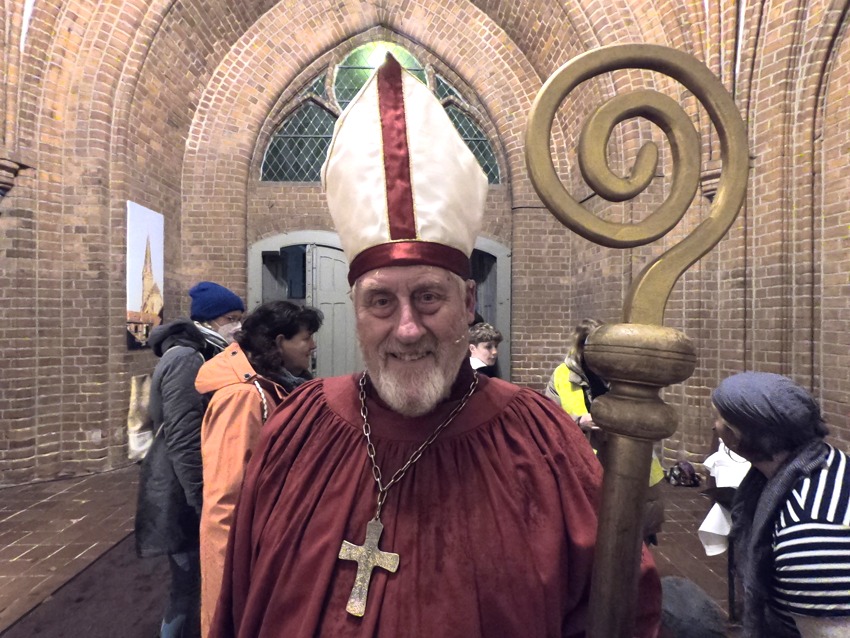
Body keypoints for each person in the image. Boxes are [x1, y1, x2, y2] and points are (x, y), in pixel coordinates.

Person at [208, 54, 660, 638]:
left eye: (427, 297)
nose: (406, 328)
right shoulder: (298, 433)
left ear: (468, 303)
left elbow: (620, 607)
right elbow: (242, 598)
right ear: (357, 309)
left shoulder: (540, 441)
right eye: (380, 302)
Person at [194, 300, 323, 637]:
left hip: (269, 543)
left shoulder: (277, 384)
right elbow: (224, 502)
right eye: (306, 338)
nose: (313, 345)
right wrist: (225, 596)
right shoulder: (243, 397)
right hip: (247, 552)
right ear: (280, 342)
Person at [135, 281, 245, 638]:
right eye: (231, 318)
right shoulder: (186, 357)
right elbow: (183, 437)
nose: (238, 326)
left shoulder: (203, 351)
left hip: (185, 483)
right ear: (210, 320)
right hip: (178, 487)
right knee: (187, 586)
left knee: (195, 582)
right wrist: (202, 500)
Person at [713, 371, 850, 638]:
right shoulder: (831, 460)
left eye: (717, 418)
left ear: (732, 437)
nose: (713, 427)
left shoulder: (810, 535)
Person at [546, 318, 666, 544]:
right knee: (594, 528)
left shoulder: (622, 372)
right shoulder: (562, 375)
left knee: (633, 529)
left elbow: (644, 412)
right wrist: (580, 421)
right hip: (585, 461)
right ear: (581, 346)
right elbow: (550, 419)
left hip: (627, 458)